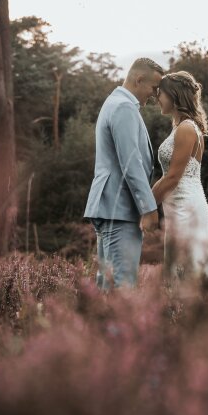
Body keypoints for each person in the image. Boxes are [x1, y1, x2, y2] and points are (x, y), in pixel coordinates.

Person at [83, 57, 164, 291]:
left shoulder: (115, 102)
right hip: (119, 208)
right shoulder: (123, 107)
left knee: (107, 285)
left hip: (110, 206)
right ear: (139, 79)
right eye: (153, 88)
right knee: (123, 286)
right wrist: (148, 208)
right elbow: (131, 162)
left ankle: (98, 328)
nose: (155, 94)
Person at [151, 71, 208, 291]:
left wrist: (145, 204)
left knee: (189, 265)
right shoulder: (182, 127)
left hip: (185, 206)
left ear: (174, 95)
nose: (157, 99)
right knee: (187, 263)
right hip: (180, 204)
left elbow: (173, 176)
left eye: (160, 94)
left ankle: (194, 313)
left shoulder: (185, 129)